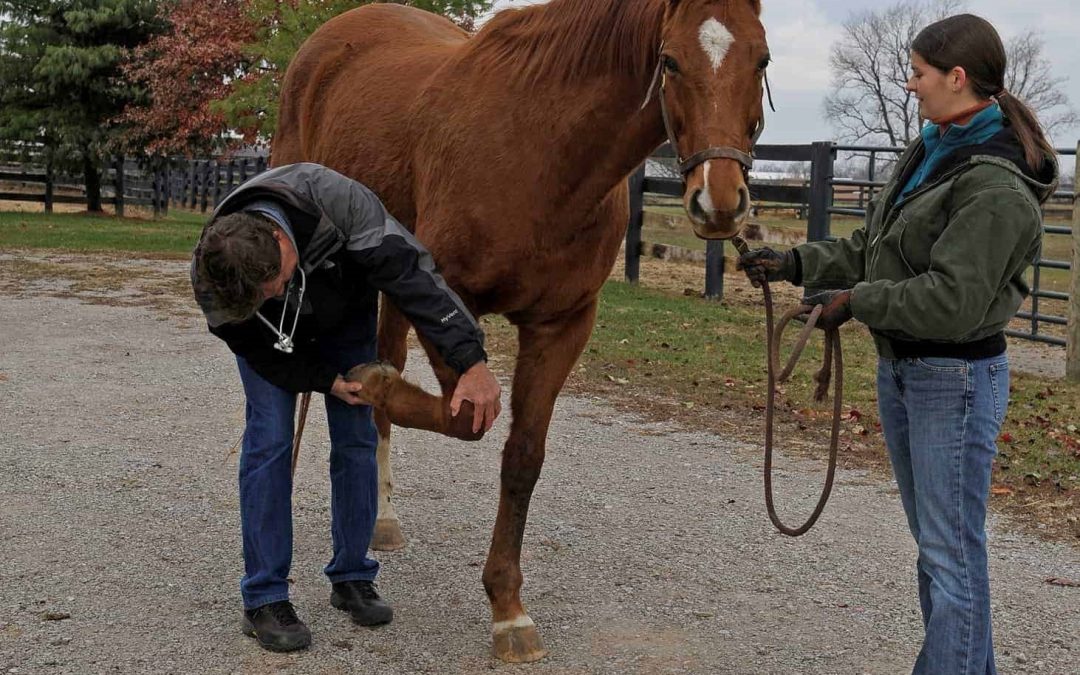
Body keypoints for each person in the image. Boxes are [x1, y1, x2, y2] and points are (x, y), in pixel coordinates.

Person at [738, 14, 1058, 674]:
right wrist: (796, 263)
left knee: (949, 554)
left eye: (917, 73)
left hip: (954, 380)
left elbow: (953, 299)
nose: (910, 86)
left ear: (957, 77)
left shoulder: (994, 185)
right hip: (908, 371)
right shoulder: (934, 148)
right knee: (941, 551)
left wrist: (856, 303)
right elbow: (874, 248)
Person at [190, 162, 502, 653]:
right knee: (269, 440)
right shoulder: (216, 271)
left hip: (345, 317)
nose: (270, 298)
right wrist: (321, 380)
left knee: (357, 436)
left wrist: (470, 359)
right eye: (259, 298)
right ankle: (265, 598)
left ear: (283, 244)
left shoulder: (341, 206)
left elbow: (411, 276)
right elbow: (250, 344)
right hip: (271, 346)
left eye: (272, 289)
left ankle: (353, 575)